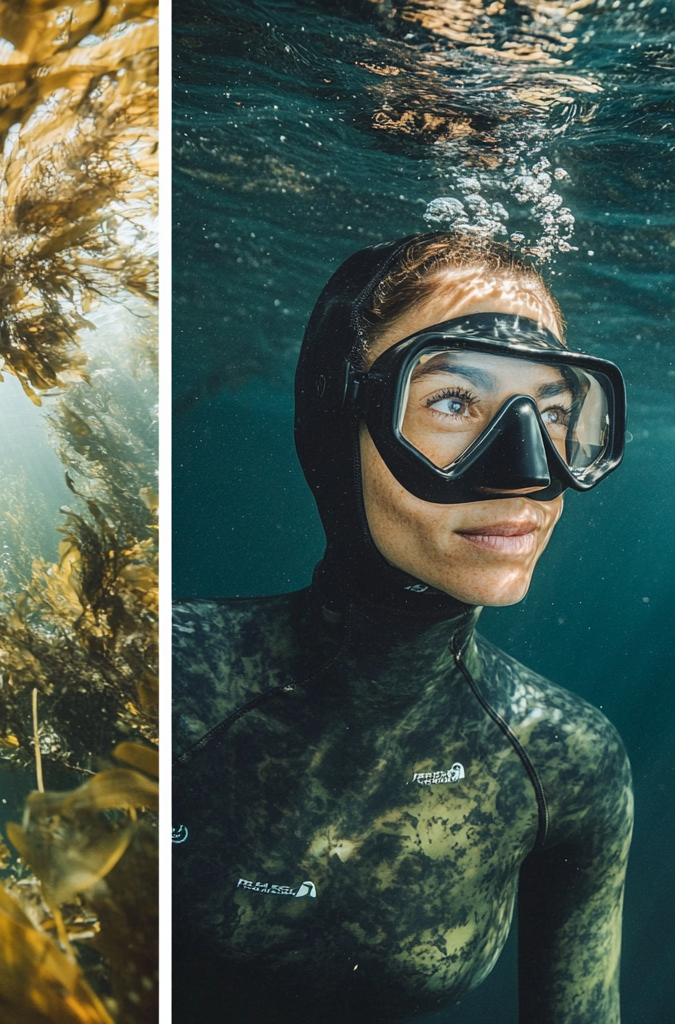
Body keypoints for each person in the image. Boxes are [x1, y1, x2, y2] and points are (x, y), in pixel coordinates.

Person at [172, 233, 634, 1023]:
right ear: (332, 419)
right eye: (454, 402)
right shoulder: (173, 675)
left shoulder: (569, 762)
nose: (529, 469)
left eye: (556, 412)